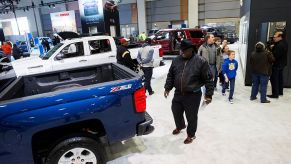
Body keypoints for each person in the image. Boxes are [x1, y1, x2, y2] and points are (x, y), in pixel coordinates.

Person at [164, 39, 214, 144]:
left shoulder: (201, 61)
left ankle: (191, 135)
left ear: (191, 50)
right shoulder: (177, 60)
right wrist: (167, 88)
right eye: (181, 50)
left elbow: (209, 79)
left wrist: (208, 95)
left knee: (191, 116)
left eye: (185, 51)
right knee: (176, 111)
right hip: (178, 93)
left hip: (193, 95)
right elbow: (171, 75)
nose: (182, 53)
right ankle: (180, 126)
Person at [268, 31, 288, 98]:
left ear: (280, 37)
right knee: (280, 78)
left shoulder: (280, 45)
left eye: (275, 37)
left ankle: (275, 94)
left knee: (274, 79)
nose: (274, 38)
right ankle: (280, 92)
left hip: (277, 64)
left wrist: (272, 48)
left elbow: (275, 55)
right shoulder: (284, 43)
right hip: (282, 64)